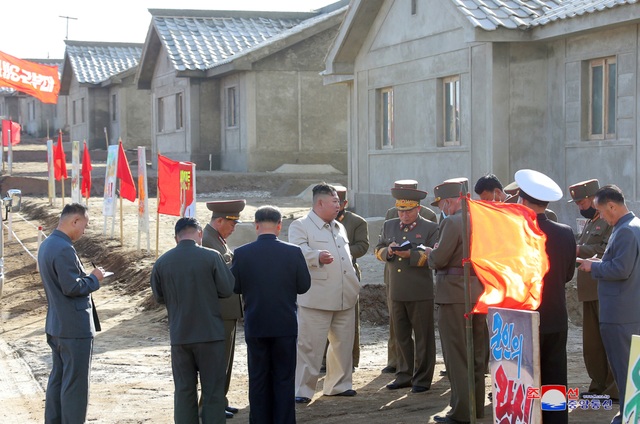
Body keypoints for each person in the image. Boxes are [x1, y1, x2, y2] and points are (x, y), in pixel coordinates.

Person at [231, 205, 311, 424]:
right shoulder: (293, 252)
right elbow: (304, 286)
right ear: (279, 226)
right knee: (284, 378)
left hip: (256, 324)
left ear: (256, 226)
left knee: (258, 378)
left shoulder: (241, 253)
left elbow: (234, 287)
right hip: (285, 325)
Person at [151, 217, 234, 424]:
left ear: (176, 237)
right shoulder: (212, 256)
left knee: (183, 391)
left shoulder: (162, 261)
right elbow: (226, 289)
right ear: (199, 234)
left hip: (180, 336)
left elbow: (159, 297)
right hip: (210, 334)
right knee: (213, 391)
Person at [288, 182, 360, 403]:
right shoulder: (300, 226)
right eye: (334, 201)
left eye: (338, 201)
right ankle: (302, 390)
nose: (338, 205)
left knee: (342, 344)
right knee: (309, 346)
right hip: (316, 298)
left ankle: (339, 385)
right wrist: (316, 256)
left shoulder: (339, 227)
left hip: (344, 296)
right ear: (320, 203)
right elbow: (297, 251)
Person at [516, 169, 576, 424]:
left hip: (523, 318)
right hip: (555, 315)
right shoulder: (565, 232)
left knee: (523, 382)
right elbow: (568, 274)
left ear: (521, 199)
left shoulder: (516, 232)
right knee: (555, 379)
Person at [578, 185, 640, 424]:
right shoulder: (629, 226)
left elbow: (621, 269)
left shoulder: (625, 231)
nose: (601, 217)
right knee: (628, 369)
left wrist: (594, 266)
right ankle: (629, 412)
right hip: (626, 310)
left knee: (624, 370)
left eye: (602, 212)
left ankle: (630, 415)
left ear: (612, 206)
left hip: (620, 314)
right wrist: (599, 261)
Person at [425, 180, 486, 424]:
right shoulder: (481, 219)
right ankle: (476, 407)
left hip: (453, 295)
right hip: (478, 293)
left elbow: (439, 259)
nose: (443, 208)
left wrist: (431, 254)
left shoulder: (451, 222)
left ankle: (461, 411)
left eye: (442, 204)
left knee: (457, 354)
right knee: (476, 353)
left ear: (449, 201)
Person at [38, 203, 105, 424]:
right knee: (75, 386)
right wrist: (95, 278)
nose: (84, 231)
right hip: (74, 328)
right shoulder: (64, 248)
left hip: (57, 326)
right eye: (84, 226)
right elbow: (72, 287)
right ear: (74, 221)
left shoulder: (48, 244)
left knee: (58, 380)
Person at [375, 185, 438, 393]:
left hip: (420, 291)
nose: (404, 215)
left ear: (418, 209)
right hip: (396, 290)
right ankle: (403, 375)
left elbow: (433, 258)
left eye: (408, 210)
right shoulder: (389, 225)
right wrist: (388, 252)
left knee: (423, 337)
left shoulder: (430, 228)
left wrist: (409, 256)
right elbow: (377, 249)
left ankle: (422, 378)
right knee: (401, 335)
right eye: (401, 210)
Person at [568, 179, 618, 400]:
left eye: (583, 202)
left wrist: (580, 248)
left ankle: (613, 389)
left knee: (608, 340)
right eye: (578, 203)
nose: (581, 207)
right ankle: (597, 385)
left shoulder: (609, 221)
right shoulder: (591, 222)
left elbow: (606, 249)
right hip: (588, 290)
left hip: (602, 288)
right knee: (592, 343)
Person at [202, 199, 246, 419]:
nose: (234, 228)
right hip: (218, 310)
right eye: (231, 223)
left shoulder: (217, 238)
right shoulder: (207, 240)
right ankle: (210, 404)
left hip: (227, 310)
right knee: (216, 362)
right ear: (219, 221)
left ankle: (220, 399)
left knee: (225, 361)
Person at [321, 186, 369, 372]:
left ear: (345, 204)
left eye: (337, 203)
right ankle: (324, 360)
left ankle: (350, 360)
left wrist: (341, 252)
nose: (334, 206)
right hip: (324, 274)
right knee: (323, 317)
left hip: (348, 273)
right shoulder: (317, 221)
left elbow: (363, 246)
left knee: (348, 320)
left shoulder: (356, 222)